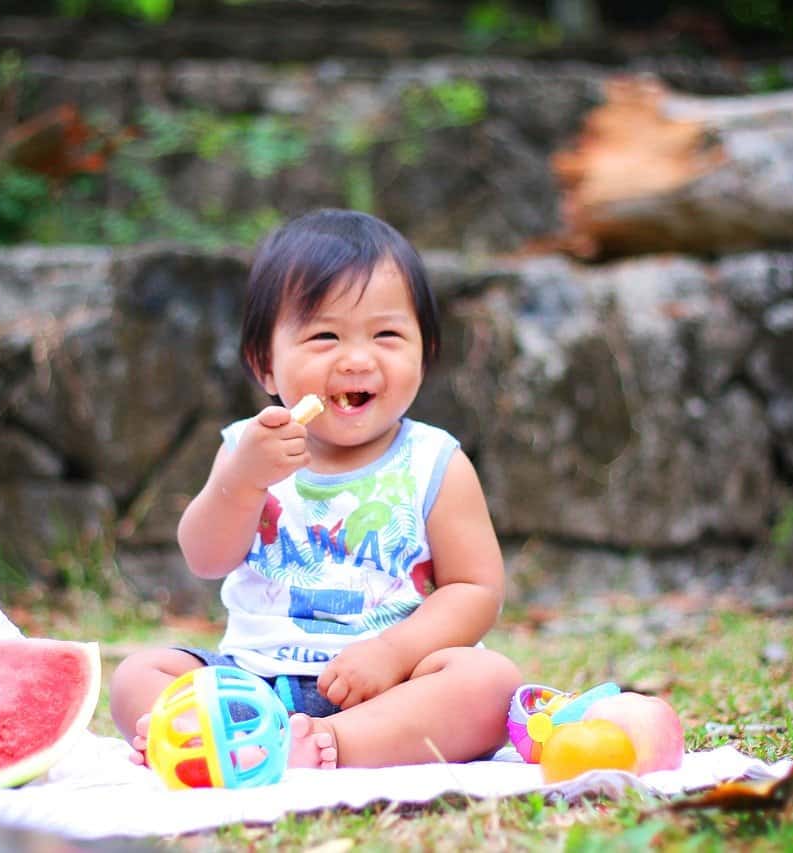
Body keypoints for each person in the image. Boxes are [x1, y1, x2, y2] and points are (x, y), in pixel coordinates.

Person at [110, 209, 521, 770]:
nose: (357, 358)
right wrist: (243, 481)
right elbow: (204, 559)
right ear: (266, 367)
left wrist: (392, 652)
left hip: (390, 685)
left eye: (387, 334)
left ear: (423, 355)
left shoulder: (434, 462)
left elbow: (475, 588)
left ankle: (336, 744)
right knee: (139, 676)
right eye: (325, 336)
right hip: (253, 681)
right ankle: (232, 739)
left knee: (488, 682)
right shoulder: (246, 448)